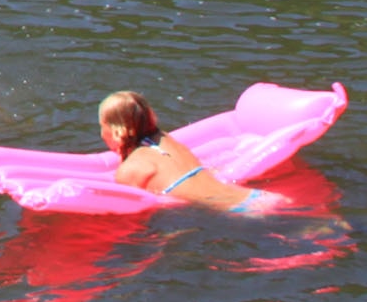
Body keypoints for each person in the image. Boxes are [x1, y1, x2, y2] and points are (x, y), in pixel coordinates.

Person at [99, 91, 283, 214]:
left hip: (240, 211)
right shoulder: (167, 141)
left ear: (117, 132)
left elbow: (130, 206)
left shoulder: (130, 170)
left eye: (102, 126)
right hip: (259, 197)